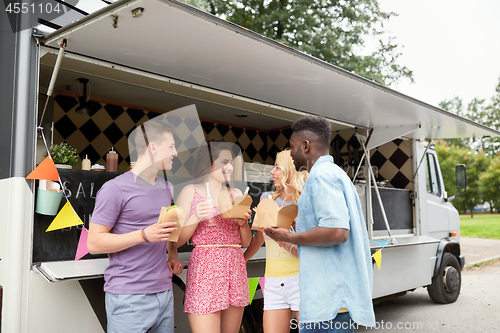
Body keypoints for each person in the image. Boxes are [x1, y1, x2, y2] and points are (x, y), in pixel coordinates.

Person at [265, 116, 375, 333]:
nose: (291, 154)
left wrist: (290, 237)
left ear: (306, 146)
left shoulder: (321, 177)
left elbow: (337, 231)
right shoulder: (333, 174)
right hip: (330, 302)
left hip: (329, 303)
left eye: (292, 147)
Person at [87, 120, 184, 333]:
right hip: (129, 298)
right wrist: (143, 235)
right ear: (152, 148)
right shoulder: (114, 189)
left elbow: (168, 230)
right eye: (171, 146)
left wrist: (173, 254)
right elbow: (93, 243)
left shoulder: (167, 187)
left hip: (164, 293)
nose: (175, 153)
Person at [174, 140, 252, 333]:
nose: (230, 167)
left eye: (231, 162)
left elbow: (246, 242)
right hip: (205, 267)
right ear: (209, 163)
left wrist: (243, 225)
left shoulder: (236, 193)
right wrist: (195, 216)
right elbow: (177, 241)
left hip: (235, 266)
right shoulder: (190, 191)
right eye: (224, 162)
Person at [244, 150, 307, 333]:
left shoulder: (304, 202)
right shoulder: (266, 198)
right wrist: (243, 260)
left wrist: (285, 239)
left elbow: (308, 252)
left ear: (290, 170)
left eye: (277, 167)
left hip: (301, 280)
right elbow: (259, 238)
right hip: (272, 282)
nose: (272, 172)